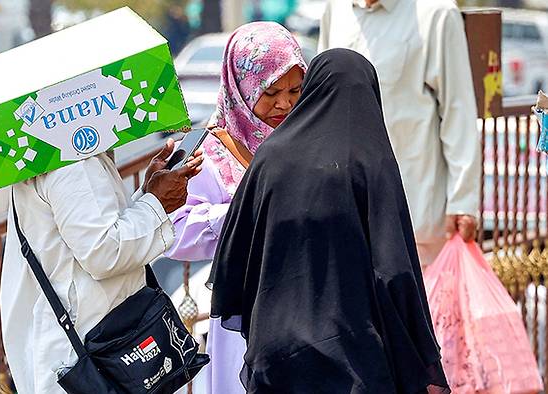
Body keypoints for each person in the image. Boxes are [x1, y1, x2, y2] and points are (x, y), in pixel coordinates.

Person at [210, 49, 449, 393]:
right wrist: (424, 358)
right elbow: (395, 270)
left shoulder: (270, 158)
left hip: (277, 357)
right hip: (355, 359)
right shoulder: (371, 163)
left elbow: (233, 260)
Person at [165, 22, 307, 394]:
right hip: (242, 313)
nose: (285, 104)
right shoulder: (207, 152)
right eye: (270, 91)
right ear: (241, 88)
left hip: (306, 304)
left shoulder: (309, 139)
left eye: (295, 90)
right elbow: (176, 232)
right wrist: (241, 214)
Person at [0, 144, 203, 394]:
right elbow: (104, 252)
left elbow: (92, 230)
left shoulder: (51, 151)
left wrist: (149, 194)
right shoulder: (72, 161)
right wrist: (156, 203)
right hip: (92, 347)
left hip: (91, 343)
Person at [318, 0, 481, 265]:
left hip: (416, 215)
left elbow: (458, 112)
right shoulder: (335, 10)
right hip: (347, 210)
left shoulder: (437, 14)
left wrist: (463, 201)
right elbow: (323, 99)